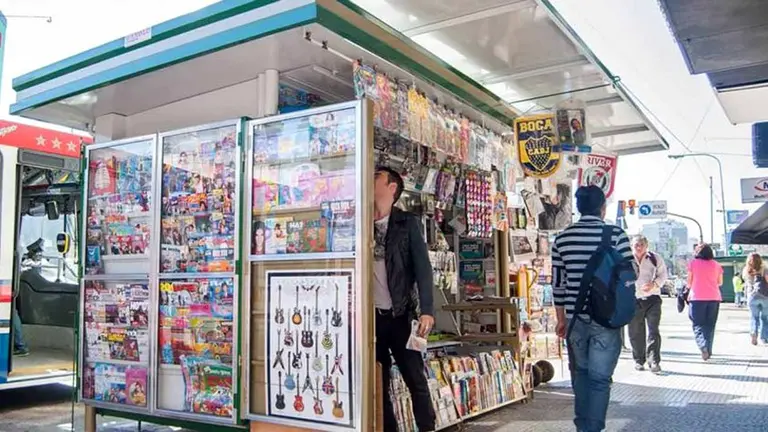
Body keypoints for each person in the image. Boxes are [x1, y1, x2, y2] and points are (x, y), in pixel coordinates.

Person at [552, 185, 632, 432]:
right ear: (602, 208)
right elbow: (631, 274)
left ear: (578, 208)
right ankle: (592, 429)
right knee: (599, 380)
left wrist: (561, 319)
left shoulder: (562, 239)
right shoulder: (616, 235)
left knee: (581, 377)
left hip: (575, 319)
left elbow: (558, 285)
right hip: (607, 319)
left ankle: (582, 427)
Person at [373, 166, 436, 432]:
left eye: (377, 177)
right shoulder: (358, 222)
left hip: (402, 316)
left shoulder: (407, 223)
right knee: (379, 380)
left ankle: (427, 428)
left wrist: (428, 310)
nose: (370, 179)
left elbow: (423, 269)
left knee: (415, 380)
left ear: (392, 188)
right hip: (371, 319)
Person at [628, 235, 667, 373]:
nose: (639, 248)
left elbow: (663, 275)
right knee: (635, 331)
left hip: (652, 298)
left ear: (646, 245)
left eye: (641, 245)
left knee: (653, 330)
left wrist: (654, 284)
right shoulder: (626, 259)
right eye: (636, 245)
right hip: (633, 299)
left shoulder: (655, 258)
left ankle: (654, 360)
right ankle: (639, 360)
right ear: (631, 246)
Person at [687, 244, 723, 360]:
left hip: (697, 298)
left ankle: (702, 346)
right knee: (710, 325)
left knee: (698, 325)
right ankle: (708, 349)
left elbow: (689, 282)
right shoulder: (717, 265)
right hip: (714, 297)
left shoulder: (693, 263)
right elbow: (720, 282)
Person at [742, 253, 768, 345]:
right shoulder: (764, 268)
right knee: (765, 317)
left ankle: (754, 332)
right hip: (765, 295)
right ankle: (764, 337)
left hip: (751, 296)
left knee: (754, 317)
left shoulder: (746, 269)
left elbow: (745, 282)